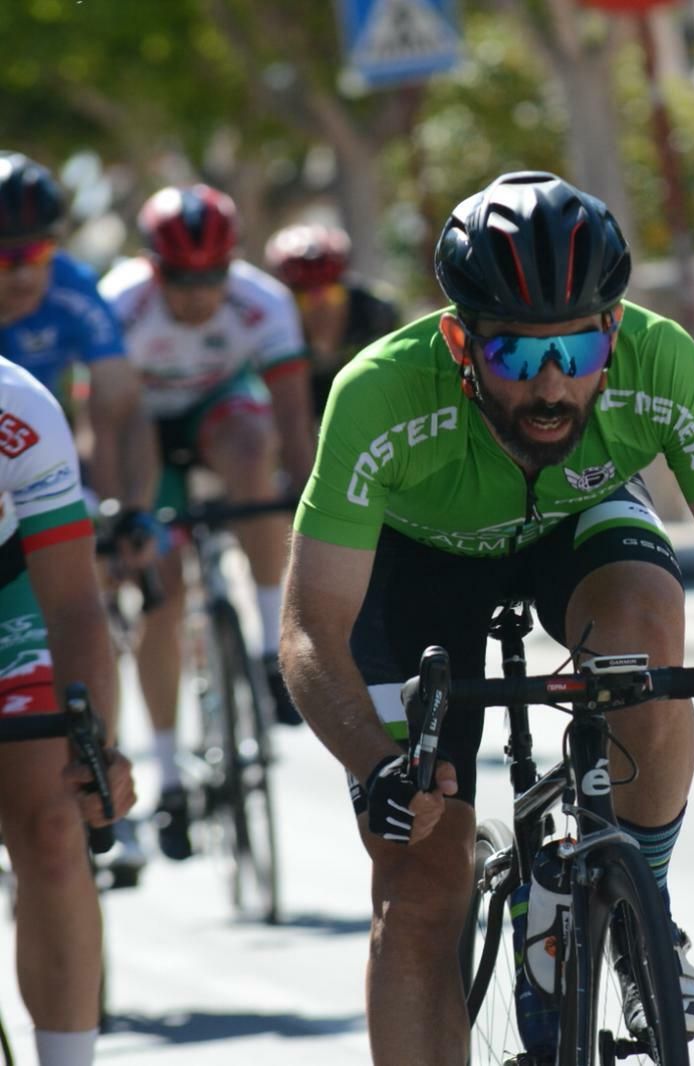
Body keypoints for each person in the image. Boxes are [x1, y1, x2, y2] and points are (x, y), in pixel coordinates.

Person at [280, 171, 694, 1063]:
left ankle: (643, 908)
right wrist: (373, 762)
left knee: (646, 627)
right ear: (459, 342)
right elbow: (312, 624)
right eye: (515, 358)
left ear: (613, 333)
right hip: (415, 561)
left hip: (571, 521)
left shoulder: (661, 361)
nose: (551, 388)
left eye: (578, 356)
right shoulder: (377, 395)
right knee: (420, 874)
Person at [99, 183, 314, 861]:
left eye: (213, 276)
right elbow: (107, 428)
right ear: (152, 267)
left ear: (234, 265)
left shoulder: (265, 303)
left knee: (255, 454)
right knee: (162, 589)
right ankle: (167, 775)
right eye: (181, 279)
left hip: (220, 409)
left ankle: (269, 646)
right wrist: (121, 521)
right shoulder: (119, 306)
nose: (198, 294)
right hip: (142, 427)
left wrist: (308, 503)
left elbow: (293, 421)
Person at [0, 151, 156, 882]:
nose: (21, 272)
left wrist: (114, 508)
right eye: (3, 257)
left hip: (48, 462)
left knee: (81, 596)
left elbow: (113, 400)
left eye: (37, 253)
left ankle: (98, 772)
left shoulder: (74, 289)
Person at [0, 353, 137, 1066]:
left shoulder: (16, 408)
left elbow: (75, 605)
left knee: (55, 825)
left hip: (9, 600)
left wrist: (99, 752)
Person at [264, 222, 400, 416]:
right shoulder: (266, 331)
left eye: (332, 294)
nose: (321, 308)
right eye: (304, 299)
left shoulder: (376, 315)